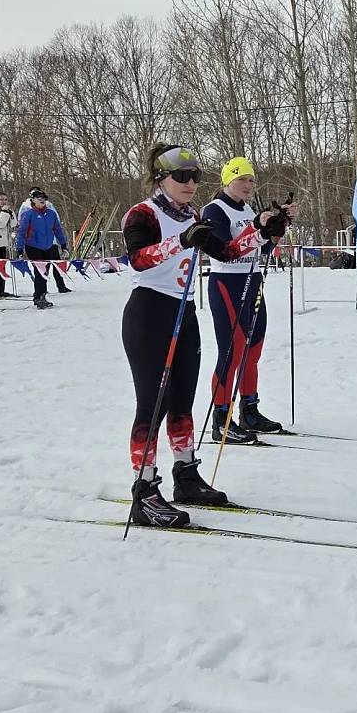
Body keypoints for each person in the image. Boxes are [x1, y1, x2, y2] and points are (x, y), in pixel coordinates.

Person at [121, 144, 284, 527]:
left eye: (195, 176)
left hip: (184, 312)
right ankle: (144, 492)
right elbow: (138, 258)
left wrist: (261, 233)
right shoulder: (143, 213)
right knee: (153, 405)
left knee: (182, 402)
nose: (190, 183)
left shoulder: (193, 216)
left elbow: (226, 252)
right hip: (149, 313)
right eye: (181, 176)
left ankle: (186, 475)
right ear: (160, 178)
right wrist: (181, 241)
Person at [200, 157, 296, 443]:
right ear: (227, 180)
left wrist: (278, 227)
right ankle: (221, 420)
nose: (248, 185)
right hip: (227, 283)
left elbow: (262, 250)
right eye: (241, 179)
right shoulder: (214, 210)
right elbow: (225, 250)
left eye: (251, 180)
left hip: (252, 281)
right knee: (232, 353)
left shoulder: (248, 208)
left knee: (252, 351)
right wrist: (257, 227)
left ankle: (249, 411)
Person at [15, 189, 69, 308]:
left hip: (48, 246)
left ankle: (40, 295)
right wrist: (19, 248)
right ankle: (39, 297)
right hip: (33, 246)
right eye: (38, 198)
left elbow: (58, 230)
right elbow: (21, 232)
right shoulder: (28, 214)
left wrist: (63, 245)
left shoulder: (51, 213)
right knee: (40, 272)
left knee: (45, 272)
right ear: (33, 200)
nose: (42, 200)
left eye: (43, 198)